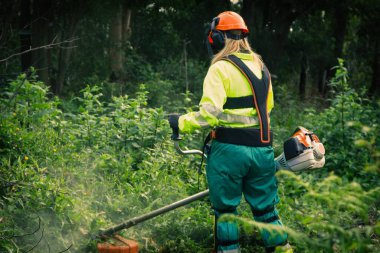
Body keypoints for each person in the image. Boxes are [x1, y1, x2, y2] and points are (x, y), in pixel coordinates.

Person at [168, 11, 292, 253]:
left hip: (229, 153)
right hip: (261, 150)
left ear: (217, 37)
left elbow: (208, 115)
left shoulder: (220, 68)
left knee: (226, 212)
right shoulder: (261, 67)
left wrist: (180, 122)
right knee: (267, 210)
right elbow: (268, 108)